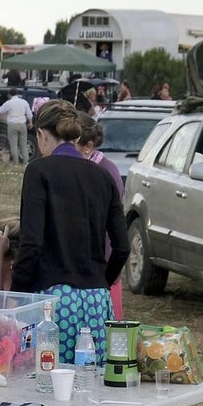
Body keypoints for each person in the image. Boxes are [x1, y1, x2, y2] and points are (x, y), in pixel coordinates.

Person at [11, 98, 153, 406]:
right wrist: (99, 283)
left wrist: (17, 298)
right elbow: (123, 246)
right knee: (93, 397)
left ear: (42, 134)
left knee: (49, 395)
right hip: (95, 302)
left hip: (53, 302)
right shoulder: (102, 176)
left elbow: (32, 244)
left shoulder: (39, 171)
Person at [77, 113, 124, 318]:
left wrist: (104, 277)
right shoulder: (86, 169)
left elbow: (111, 231)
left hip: (102, 271)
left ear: (88, 146)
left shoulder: (106, 172)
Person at [0, 88, 34, 166]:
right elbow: (29, 114)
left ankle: (16, 163)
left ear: (9, 94)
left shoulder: (9, 103)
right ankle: (26, 163)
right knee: (23, 145)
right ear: (17, 94)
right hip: (22, 124)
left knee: (13, 145)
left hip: (12, 125)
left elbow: (1, 111)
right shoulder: (24, 102)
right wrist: (30, 123)